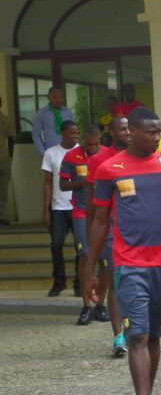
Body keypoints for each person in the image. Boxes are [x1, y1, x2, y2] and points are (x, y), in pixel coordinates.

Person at [84, 106, 161, 395]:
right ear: (131, 131)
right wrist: (90, 269)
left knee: (156, 336)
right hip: (129, 265)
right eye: (151, 132)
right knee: (138, 335)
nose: (158, 137)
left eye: (159, 131)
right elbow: (99, 221)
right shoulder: (109, 169)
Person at [86, 116, 130, 355]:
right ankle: (118, 336)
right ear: (111, 132)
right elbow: (93, 204)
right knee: (115, 281)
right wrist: (90, 238)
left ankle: (135, 329)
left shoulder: (143, 157)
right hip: (112, 231)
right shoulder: (99, 161)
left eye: (129, 128)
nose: (127, 132)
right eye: (122, 129)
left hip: (138, 233)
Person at [59, 125, 109, 325]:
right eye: (90, 144)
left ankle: (100, 305)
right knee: (85, 256)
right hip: (81, 212)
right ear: (83, 140)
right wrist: (85, 182)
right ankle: (87, 306)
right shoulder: (72, 156)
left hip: (103, 212)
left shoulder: (108, 155)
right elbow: (62, 185)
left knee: (105, 260)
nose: (93, 148)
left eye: (96, 144)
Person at [41, 120, 79, 297]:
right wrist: (46, 209)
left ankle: (79, 284)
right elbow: (47, 183)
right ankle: (59, 282)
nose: (75, 136)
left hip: (79, 208)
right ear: (62, 133)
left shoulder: (82, 152)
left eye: (77, 133)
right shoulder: (51, 153)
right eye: (72, 132)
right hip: (58, 208)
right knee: (56, 245)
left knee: (81, 247)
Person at [32, 86, 75, 156]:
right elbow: (36, 135)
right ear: (48, 97)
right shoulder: (41, 114)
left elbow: (74, 132)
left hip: (68, 152)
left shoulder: (68, 112)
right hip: (51, 152)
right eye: (54, 97)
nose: (58, 100)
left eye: (60, 97)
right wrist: (43, 152)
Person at [0, 96, 14, 225]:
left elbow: (11, 139)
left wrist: (11, 156)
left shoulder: (5, 120)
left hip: (4, 159)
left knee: (3, 190)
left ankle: (0, 215)